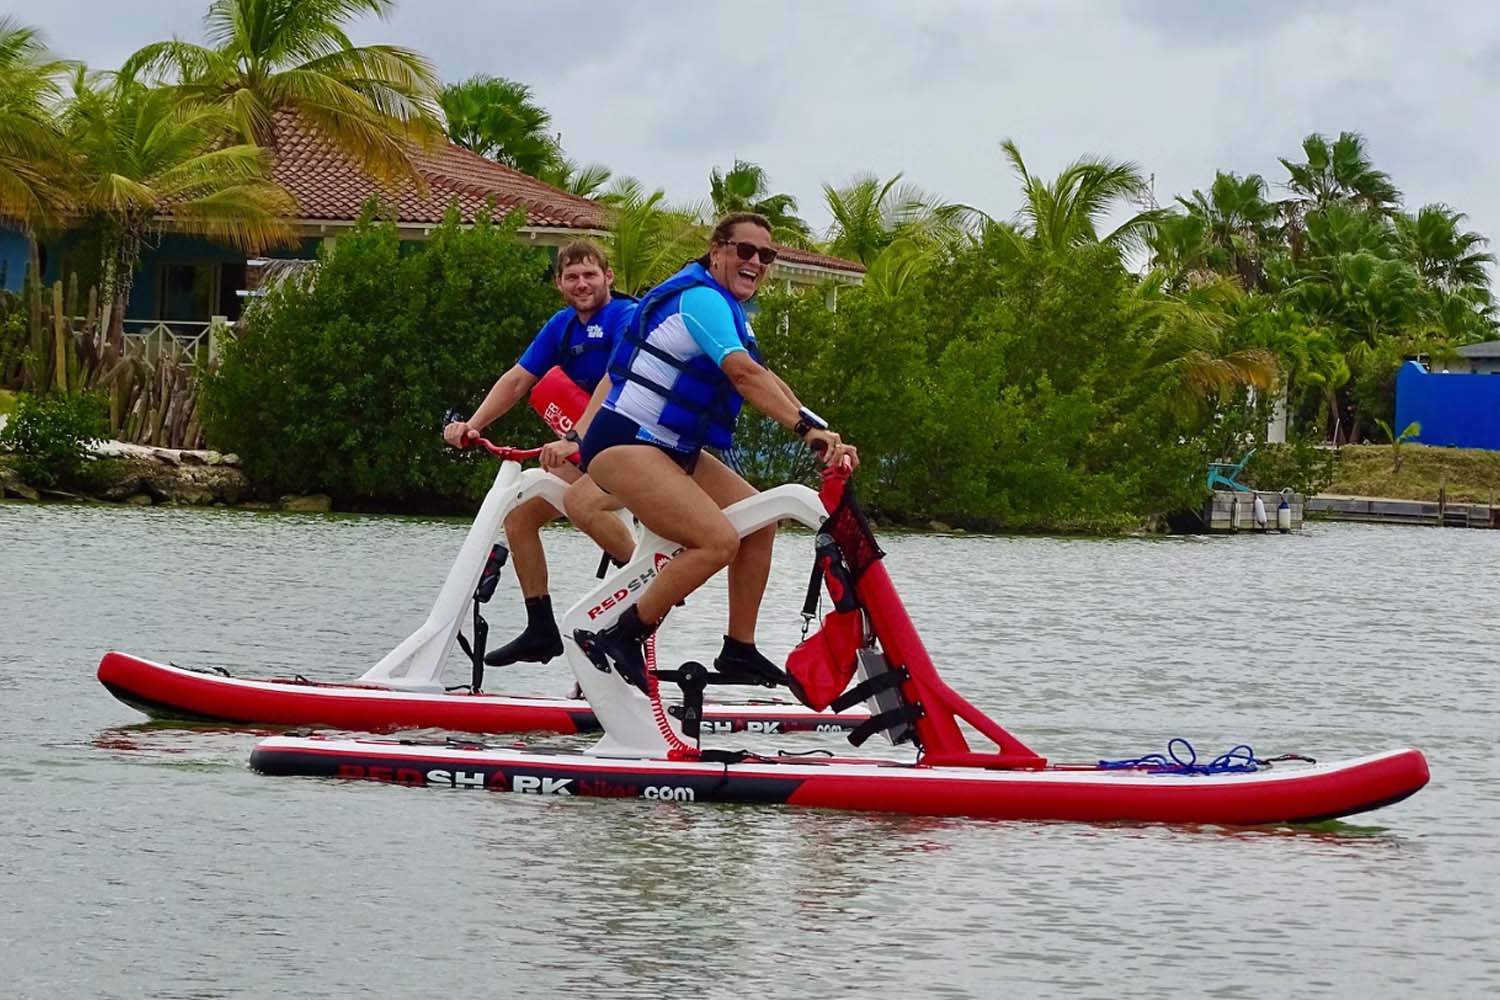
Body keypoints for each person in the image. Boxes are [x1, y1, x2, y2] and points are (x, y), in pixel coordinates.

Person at [565, 212, 857, 693]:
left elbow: (767, 380)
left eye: (767, 255)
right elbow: (742, 375)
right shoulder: (701, 299)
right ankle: (618, 637)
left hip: (672, 448)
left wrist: (826, 432)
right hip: (625, 441)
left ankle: (738, 648)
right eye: (745, 251)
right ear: (717, 250)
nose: (756, 262)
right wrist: (806, 432)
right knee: (718, 540)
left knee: (759, 520)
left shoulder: (727, 309)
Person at [443, 240, 636, 667]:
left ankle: (646, 576)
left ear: (609, 277)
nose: (581, 284)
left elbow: (615, 379)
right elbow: (517, 380)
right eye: (572, 277)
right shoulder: (561, 326)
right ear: (559, 283)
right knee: (519, 514)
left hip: (636, 447)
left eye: (590, 275)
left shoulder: (626, 316)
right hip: (590, 449)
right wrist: (473, 425)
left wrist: (577, 438)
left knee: (577, 500)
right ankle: (541, 628)